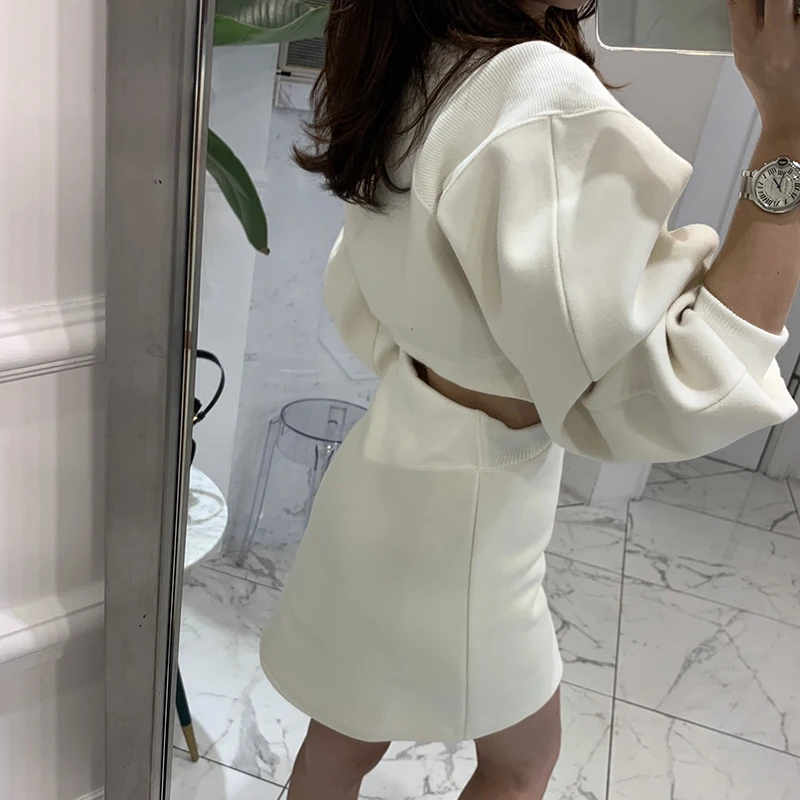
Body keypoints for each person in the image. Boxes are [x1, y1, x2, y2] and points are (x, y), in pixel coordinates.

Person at [260, 1, 800, 798]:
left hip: (389, 467)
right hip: (467, 525)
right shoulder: (534, 94)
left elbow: (364, 288)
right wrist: (788, 131)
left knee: (341, 738)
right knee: (521, 762)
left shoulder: (406, 55)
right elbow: (685, 385)